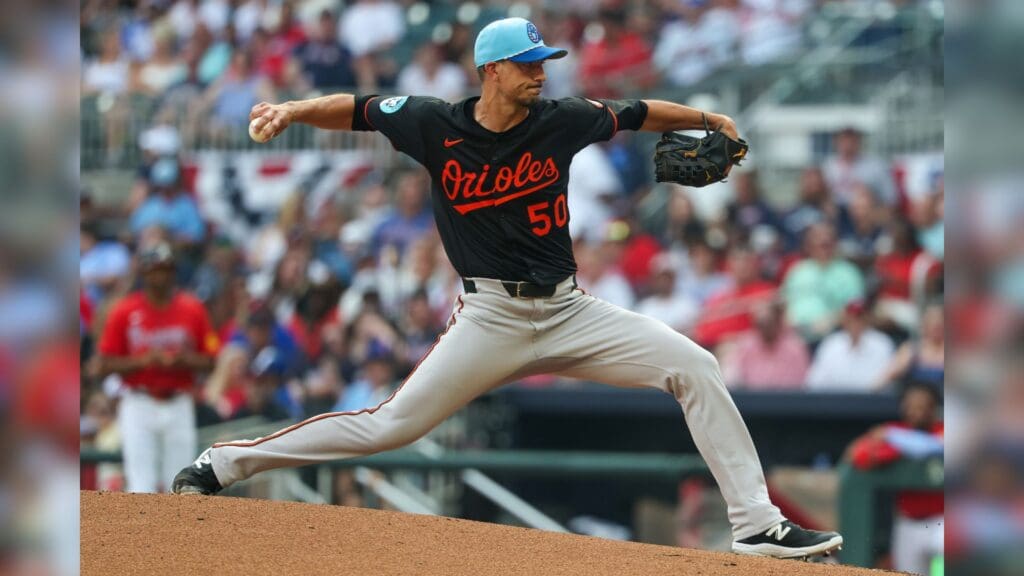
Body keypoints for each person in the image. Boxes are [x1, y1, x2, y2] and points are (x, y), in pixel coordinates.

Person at [173, 16, 841, 559]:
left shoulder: (563, 118)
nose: (540, 72)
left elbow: (638, 113)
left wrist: (708, 119)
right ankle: (228, 462)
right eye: (527, 63)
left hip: (569, 310)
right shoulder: (434, 122)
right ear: (490, 71)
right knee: (391, 426)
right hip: (490, 316)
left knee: (695, 365)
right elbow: (355, 110)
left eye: (542, 61)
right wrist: (291, 109)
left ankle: (756, 524)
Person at [97, 243, 219, 492]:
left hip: (179, 401)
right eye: (154, 270)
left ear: (174, 272)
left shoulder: (192, 308)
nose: (160, 275)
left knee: (182, 483)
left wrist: (182, 360)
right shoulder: (125, 311)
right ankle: (143, 533)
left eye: (165, 269)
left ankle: (178, 532)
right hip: (138, 401)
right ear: (144, 273)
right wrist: (142, 361)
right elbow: (103, 363)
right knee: (141, 486)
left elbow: (211, 359)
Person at [845, 382, 944, 575]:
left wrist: (894, 438)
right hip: (907, 522)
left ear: (934, 408)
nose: (916, 412)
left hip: (941, 522)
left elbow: (934, 446)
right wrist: (893, 443)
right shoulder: (895, 429)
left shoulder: (938, 429)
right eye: (911, 406)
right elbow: (859, 455)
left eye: (922, 406)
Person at [806, 299, 895, 392]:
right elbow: (814, 384)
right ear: (844, 320)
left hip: (872, 404)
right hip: (834, 403)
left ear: (868, 319)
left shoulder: (882, 344)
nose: (855, 323)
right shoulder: (831, 344)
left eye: (860, 318)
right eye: (851, 318)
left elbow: (888, 386)